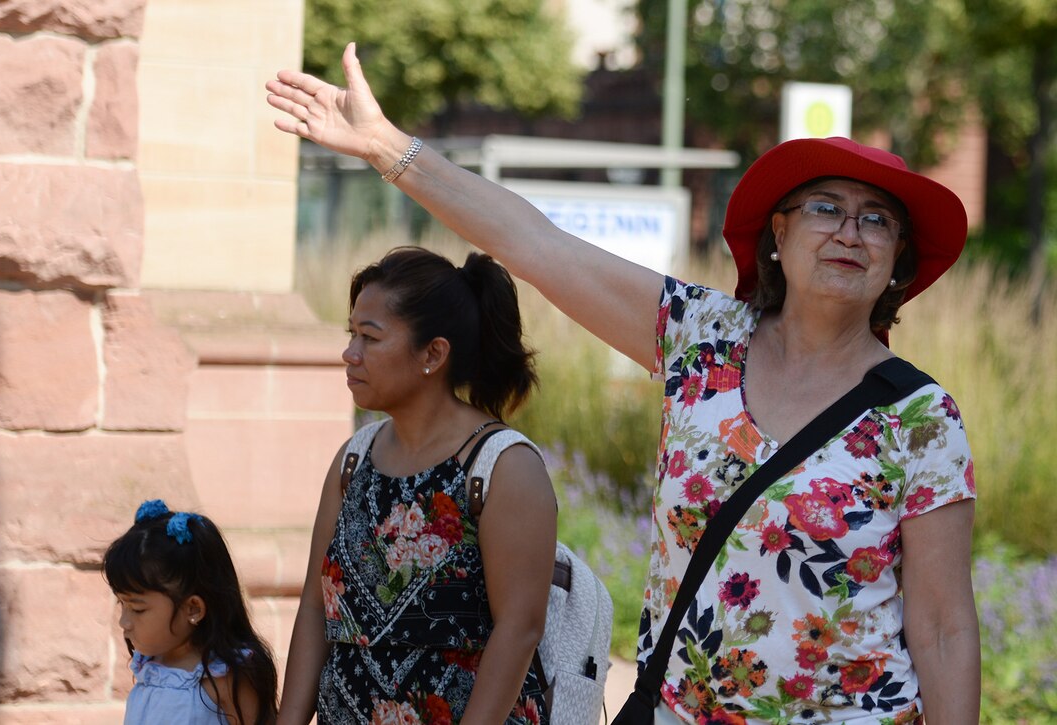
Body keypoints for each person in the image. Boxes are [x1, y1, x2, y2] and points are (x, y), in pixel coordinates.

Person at [265, 44, 981, 725]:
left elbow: (945, 627)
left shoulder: (918, 416)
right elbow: (535, 245)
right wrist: (390, 148)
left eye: (877, 221)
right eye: (826, 208)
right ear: (778, 235)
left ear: (898, 262)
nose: (850, 233)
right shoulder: (702, 341)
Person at [276, 246, 557, 724]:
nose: (350, 353)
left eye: (370, 337)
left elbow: (520, 630)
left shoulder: (501, 466)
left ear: (434, 353)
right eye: (351, 334)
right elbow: (314, 606)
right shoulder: (352, 460)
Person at [102, 499, 279, 725]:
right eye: (121, 604)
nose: (124, 622)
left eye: (138, 609)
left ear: (193, 609)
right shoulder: (150, 668)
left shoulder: (225, 677)